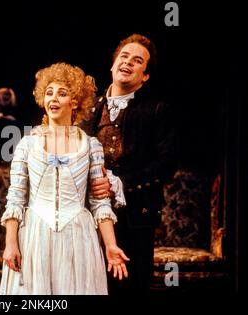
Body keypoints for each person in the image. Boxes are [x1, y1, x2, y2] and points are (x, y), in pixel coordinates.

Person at [0, 62, 129, 295]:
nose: (53, 99)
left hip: (78, 236)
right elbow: (16, 199)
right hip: (35, 236)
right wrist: (10, 244)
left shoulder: (91, 146)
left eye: (62, 93)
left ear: (75, 101)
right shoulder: (27, 145)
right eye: (49, 93)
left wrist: (110, 244)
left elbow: (100, 203)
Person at [82, 34, 176, 294]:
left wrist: (120, 183)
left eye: (137, 61)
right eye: (124, 57)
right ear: (113, 65)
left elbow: (166, 164)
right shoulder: (87, 109)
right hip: (87, 216)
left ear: (145, 76)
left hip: (134, 217)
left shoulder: (157, 111)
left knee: (129, 289)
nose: (128, 63)